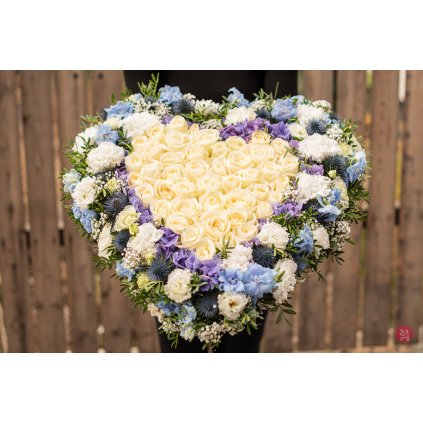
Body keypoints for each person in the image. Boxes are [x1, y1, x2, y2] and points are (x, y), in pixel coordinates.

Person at [124, 70, 298, 353]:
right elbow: (142, 97)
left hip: (256, 172)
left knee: (244, 326)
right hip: (167, 168)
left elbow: (281, 101)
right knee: (177, 324)